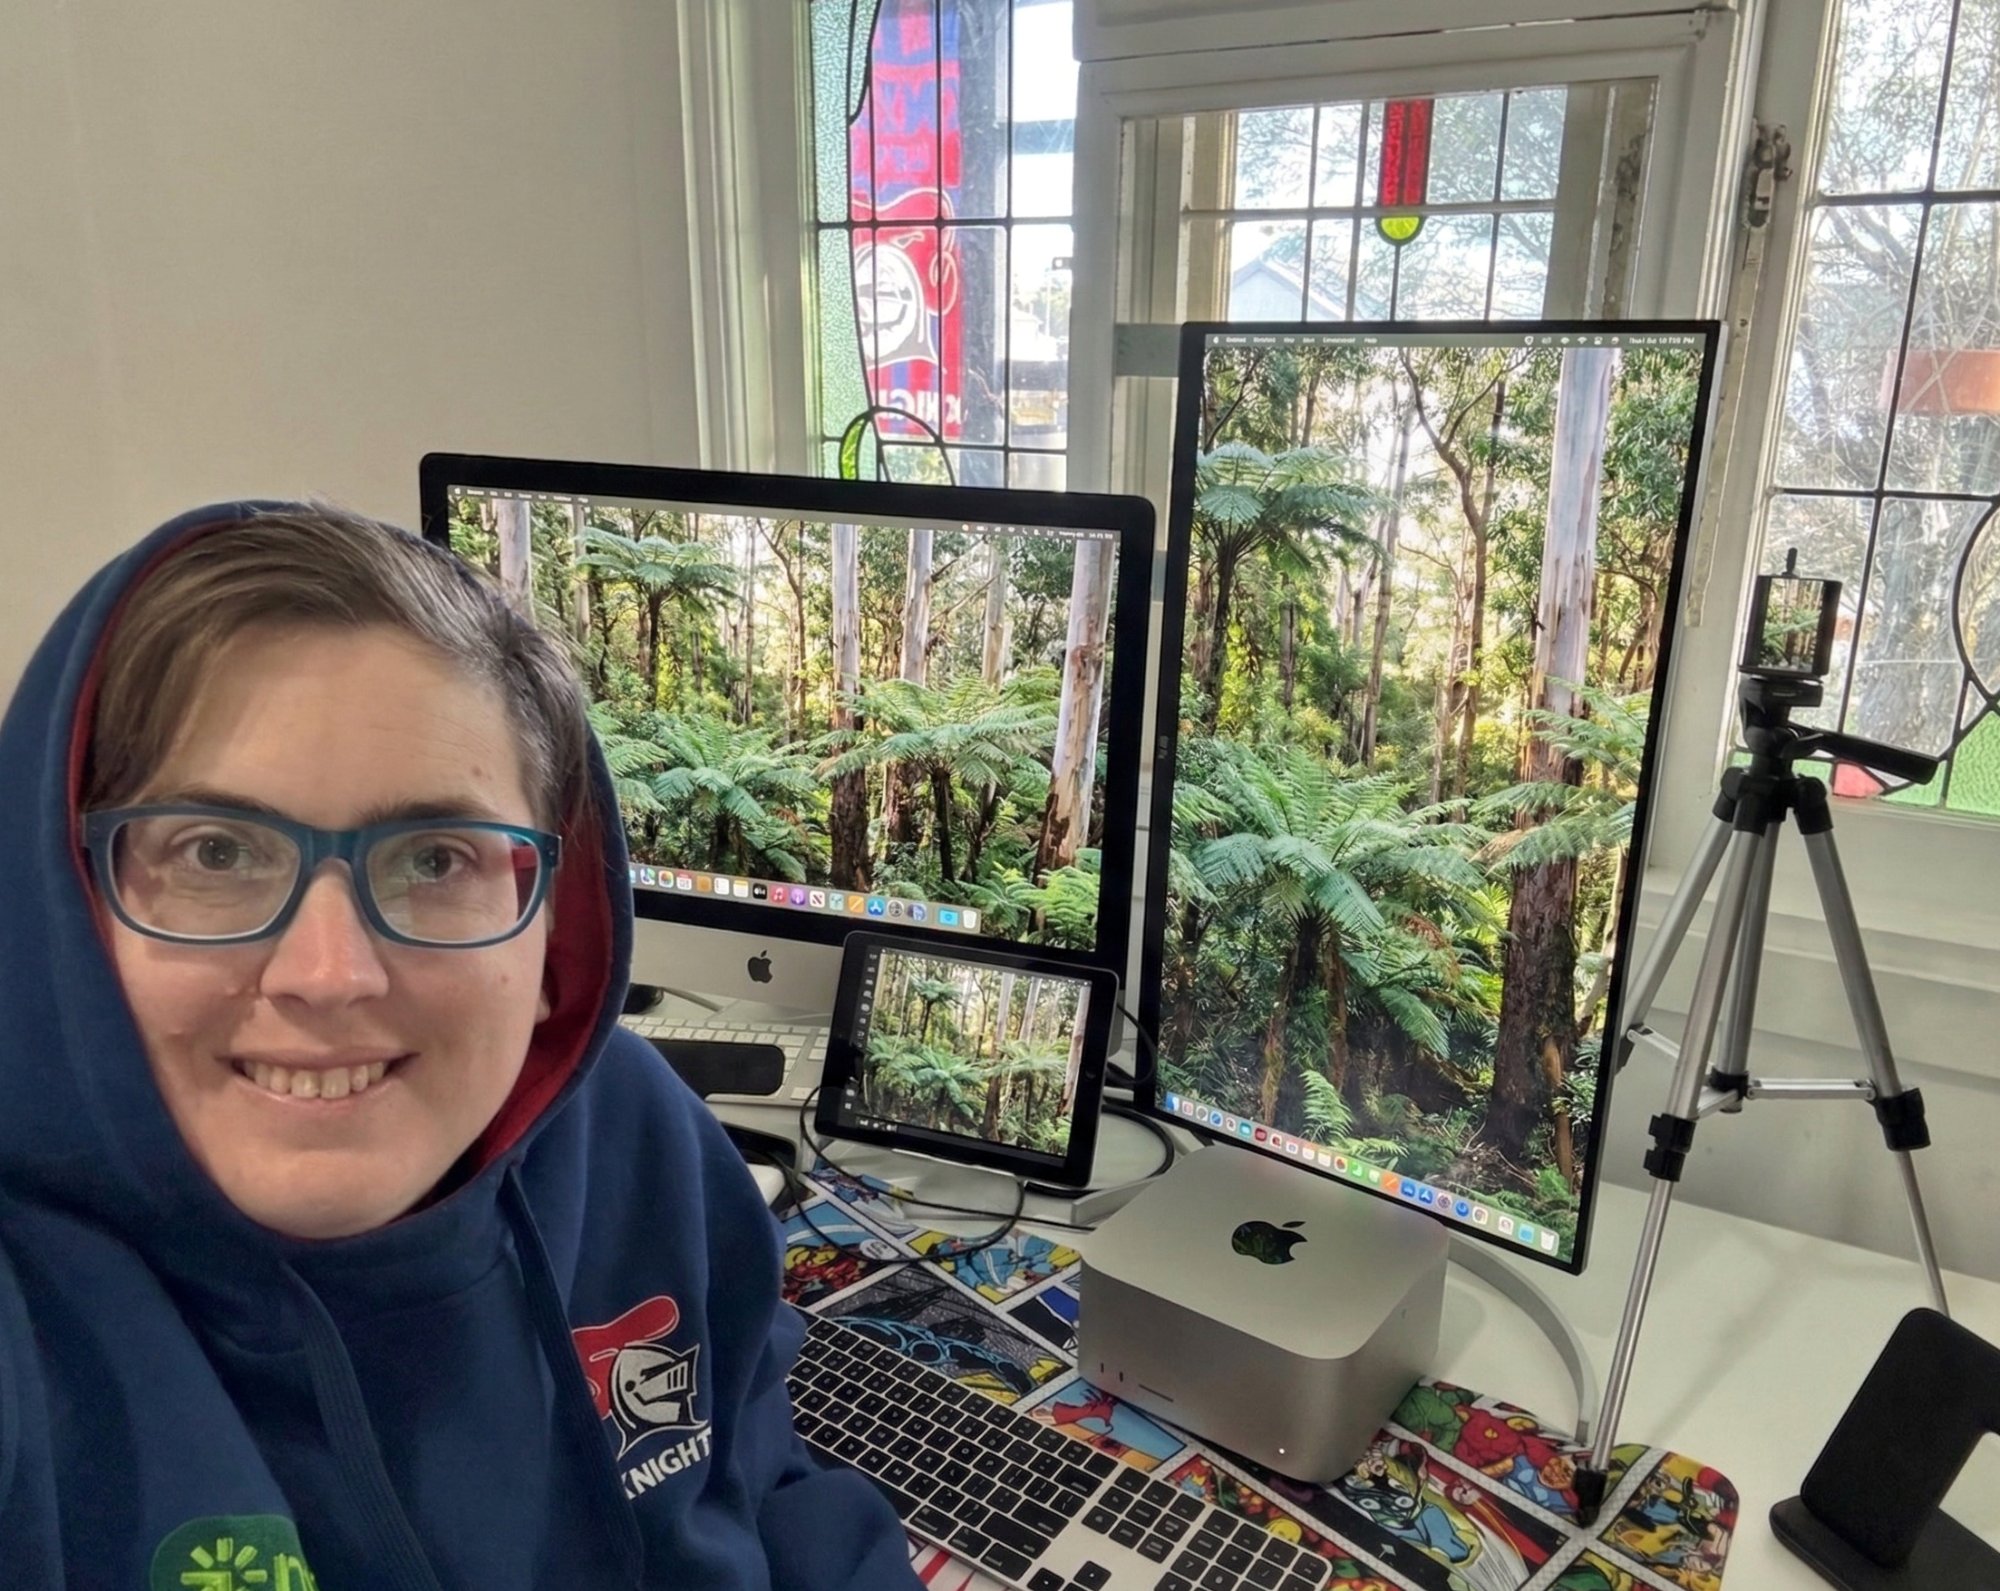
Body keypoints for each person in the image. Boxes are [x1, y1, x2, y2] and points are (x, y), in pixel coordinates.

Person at [0, 501, 923, 1590]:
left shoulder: (631, 1131)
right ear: (63, 892)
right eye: (215, 853)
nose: (330, 973)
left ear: (554, 913)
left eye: (436, 859)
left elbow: (759, 1482)